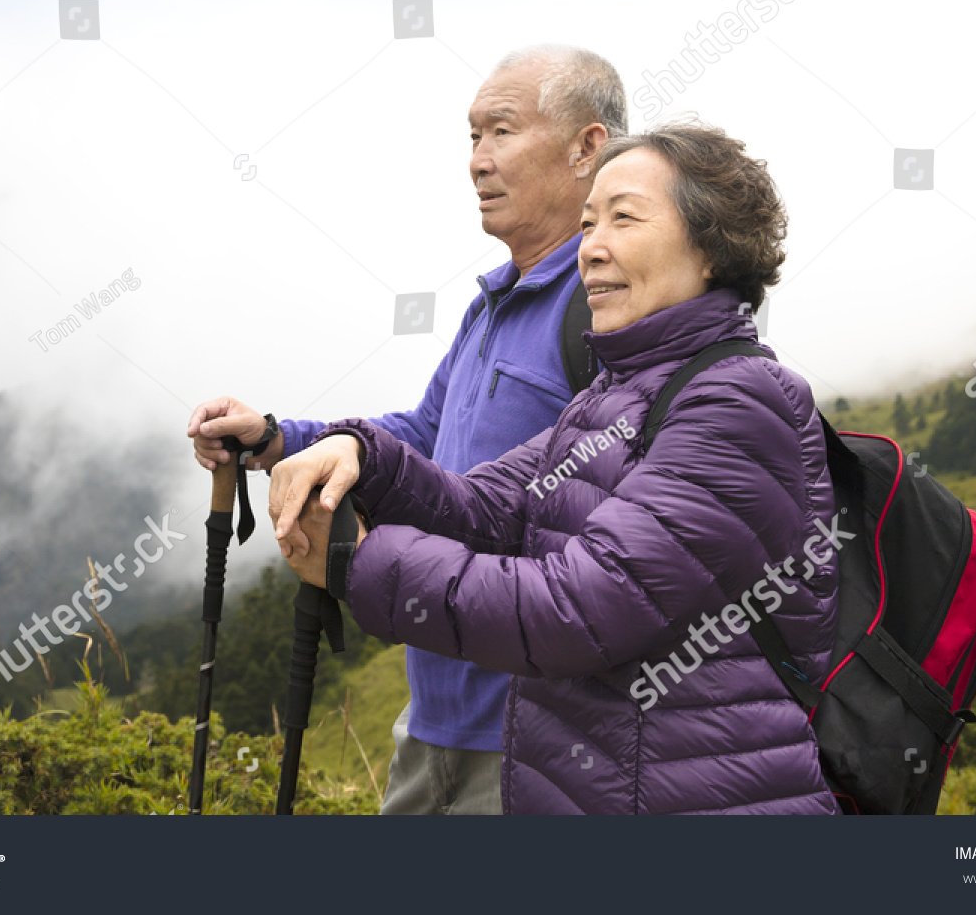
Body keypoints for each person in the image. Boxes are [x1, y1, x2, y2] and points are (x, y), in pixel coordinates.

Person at [270, 121, 840, 814]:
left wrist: (356, 566)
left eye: (623, 219)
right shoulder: (616, 392)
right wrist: (364, 452)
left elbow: (573, 609)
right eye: (588, 221)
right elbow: (481, 509)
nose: (590, 249)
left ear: (712, 247)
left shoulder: (740, 402)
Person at [186, 45, 627, 814]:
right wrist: (275, 438)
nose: (477, 161)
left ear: (587, 147)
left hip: (537, 736)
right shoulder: (494, 302)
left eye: (501, 132)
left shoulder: (608, 310)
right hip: (432, 721)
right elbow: (424, 432)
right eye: (471, 137)